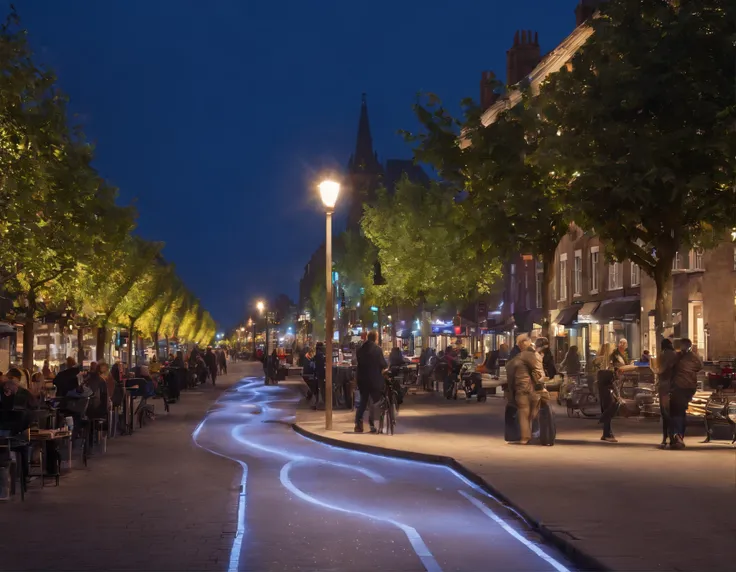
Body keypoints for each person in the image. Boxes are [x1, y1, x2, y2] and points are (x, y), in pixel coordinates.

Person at [505, 337, 545, 444]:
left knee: (523, 412)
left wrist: (510, 390)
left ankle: (525, 437)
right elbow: (540, 374)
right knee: (534, 412)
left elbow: (510, 375)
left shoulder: (516, 359)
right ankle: (536, 432)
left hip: (521, 389)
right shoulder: (535, 355)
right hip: (534, 389)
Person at [669, 338, 702, 449]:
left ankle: (677, 436)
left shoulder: (678, 357)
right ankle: (678, 436)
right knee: (680, 411)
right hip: (689, 387)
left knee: (677, 412)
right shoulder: (694, 357)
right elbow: (699, 367)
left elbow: (668, 368)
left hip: (680, 387)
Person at [354, 331, 387, 433]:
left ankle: (358, 424)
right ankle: (372, 424)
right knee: (374, 402)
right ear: (376, 338)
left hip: (362, 380)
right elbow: (383, 364)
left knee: (363, 402)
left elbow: (357, 362)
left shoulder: (360, 350)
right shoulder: (377, 350)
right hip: (374, 380)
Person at [653, 338, 677, 448]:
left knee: (665, 413)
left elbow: (659, 370)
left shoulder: (662, 355)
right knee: (672, 412)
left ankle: (665, 437)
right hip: (674, 386)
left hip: (664, 386)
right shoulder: (675, 355)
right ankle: (672, 436)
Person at [595, 342, 618, 442]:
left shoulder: (598, 360)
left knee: (605, 409)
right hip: (607, 389)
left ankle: (606, 433)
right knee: (609, 410)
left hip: (601, 388)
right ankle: (607, 433)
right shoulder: (607, 363)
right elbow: (608, 376)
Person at [312, 343, 326, 409]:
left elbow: (312, 365)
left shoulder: (317, 355)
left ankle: (318, 402)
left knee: (318, 388)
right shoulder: (321, 355)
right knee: (320, 388)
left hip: (318, 374)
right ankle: (320, 403)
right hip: (320, 374)